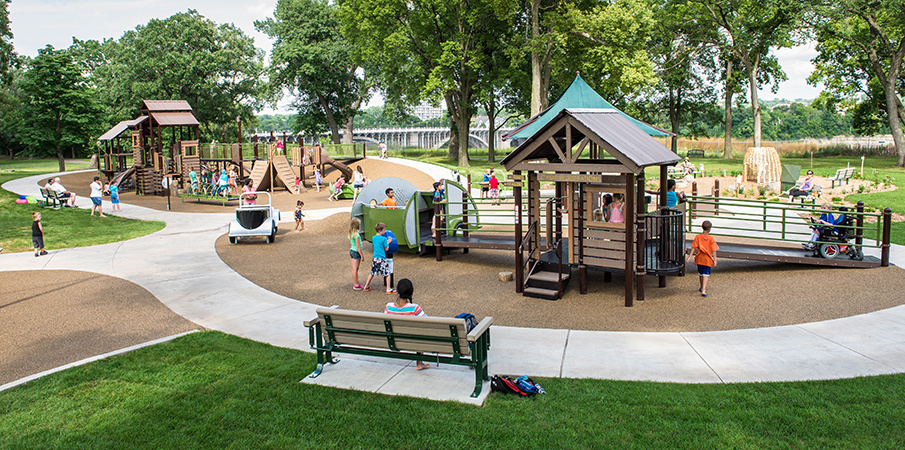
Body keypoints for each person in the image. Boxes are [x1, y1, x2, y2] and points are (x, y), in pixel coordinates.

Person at [384, 278, 430, 370]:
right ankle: (419, 363)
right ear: (411, 292)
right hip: (412, 341)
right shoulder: (414, 308)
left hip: (394, 341)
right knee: (421, 332)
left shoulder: (388, 307)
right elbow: (427, 322)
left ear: (398, 291)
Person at [686, 220, 718, 297]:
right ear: (709, 229)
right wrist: (715, 260)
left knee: (700, 273)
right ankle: (704, 290)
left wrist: (689, 257)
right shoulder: (711, 238)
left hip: (699, 258)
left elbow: (693, 247)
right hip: (707, 259)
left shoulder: (698, 237)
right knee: (706, 274)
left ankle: (701, 287)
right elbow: (713, 250)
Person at [363, 222, 396, 294]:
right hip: (381, 258)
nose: (385, 232)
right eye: (384, 230)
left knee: (372, 272)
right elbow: (386, 249)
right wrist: (388, 242)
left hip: (375, 258)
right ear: (380, 231)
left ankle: (366, 286)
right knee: (388, 273)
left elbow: (376, 245)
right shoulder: (384, 239)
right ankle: (388, 289)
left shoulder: (373, 238)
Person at [350, 218, 365, 290]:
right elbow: (358, 246)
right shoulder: (357, 235)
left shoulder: (351, 233)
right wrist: (361, 255)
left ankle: (356, 282)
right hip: (356, 252)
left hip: (352, 250)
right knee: (356, 269)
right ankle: (356, 284)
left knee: (354, 269)